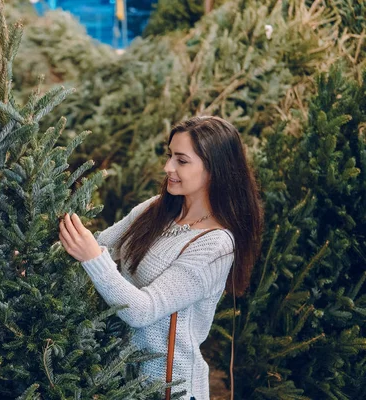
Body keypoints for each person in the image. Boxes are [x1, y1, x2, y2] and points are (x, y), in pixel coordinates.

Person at [58, 116, 264, 400]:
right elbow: (100, 244)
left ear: (215, 169)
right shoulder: (158, 208)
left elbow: (143, 310)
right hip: (116, 377)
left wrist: (94, 259)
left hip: (167, 389)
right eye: (169, 156)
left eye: (182, 160)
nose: (168, 167)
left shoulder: (216, 245)